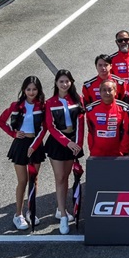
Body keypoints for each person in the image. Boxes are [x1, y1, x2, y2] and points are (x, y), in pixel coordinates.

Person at [0, 76, 47, 230]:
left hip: (36, 145)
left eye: (34, 89)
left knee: (34, 180)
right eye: (28, 89)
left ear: (38, 90)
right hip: (20, 145)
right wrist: (13, 134)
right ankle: (18, 214)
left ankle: (31, 211)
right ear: (24, 90)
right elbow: (1, 121)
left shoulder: (43, 106)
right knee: (22, 181)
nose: (31, 92)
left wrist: (35, 145)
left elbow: (45, 128)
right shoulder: (16, 105)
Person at [44, 70, 85, 234]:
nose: (64, 84)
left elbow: (81, 124)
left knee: (67, 177)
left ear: (71, 82)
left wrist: (78, 144)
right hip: (58, 143)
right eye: (61, 81)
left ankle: (60, 208)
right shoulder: (50, 102)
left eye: (67, 81)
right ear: (56, 83)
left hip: (74, 143)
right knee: (60, 178)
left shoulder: (77, 99)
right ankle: (62, 215)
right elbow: (51, 127)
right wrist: (67, 142)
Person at [85, 80, 129, 157]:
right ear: (100, 92)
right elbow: (91, 131)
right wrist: (92, 149)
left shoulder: (124, 109)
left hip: (118, 154)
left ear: (115, 92)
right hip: (97, 153)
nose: (107, 93)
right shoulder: (91, 109)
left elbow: (127, 132)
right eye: (104, 90)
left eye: (110, 90)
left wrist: (124, 151)